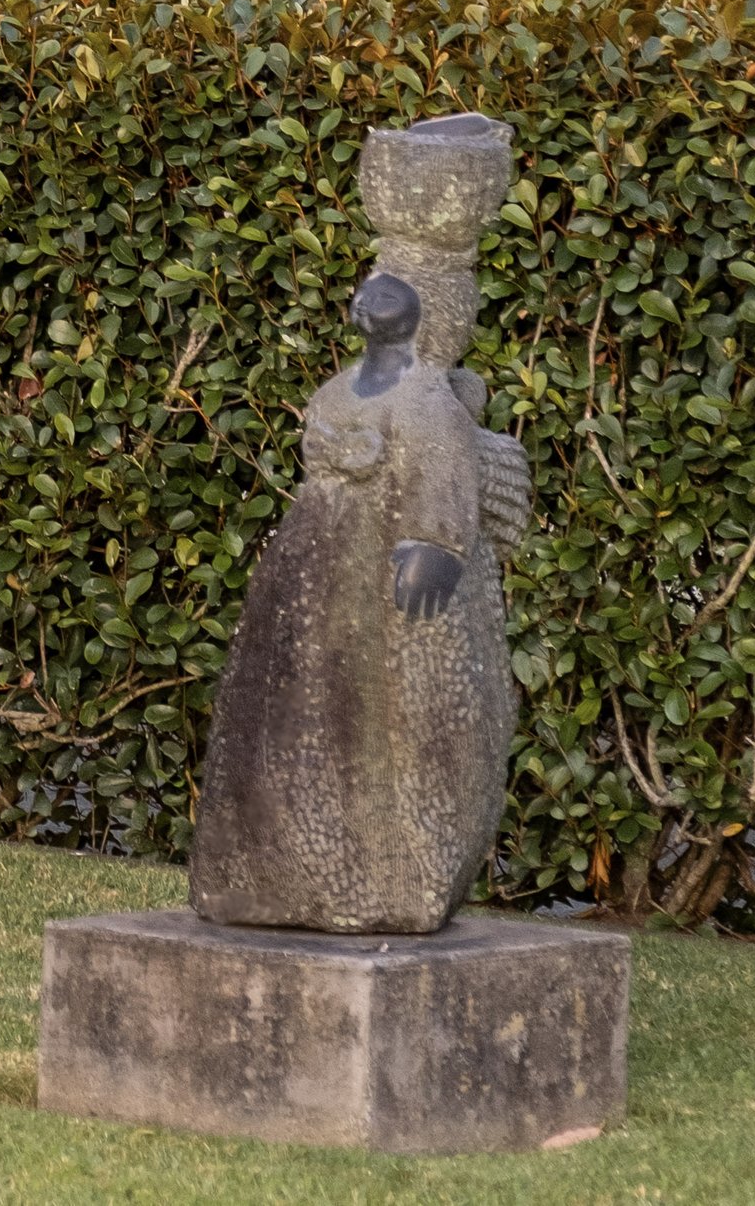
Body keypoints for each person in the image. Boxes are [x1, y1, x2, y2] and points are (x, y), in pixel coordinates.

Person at [189, 270, 516, 933]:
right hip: (313, 568)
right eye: (363, 299)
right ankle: (270, 869)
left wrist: (435, 547)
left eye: (383, 303)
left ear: (411, 320)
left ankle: (387, 879)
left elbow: (444, 484)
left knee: (380, 717)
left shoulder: (427, 403)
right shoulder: (335, 390)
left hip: (383, 574)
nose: (368, 307)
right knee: (293, 709)